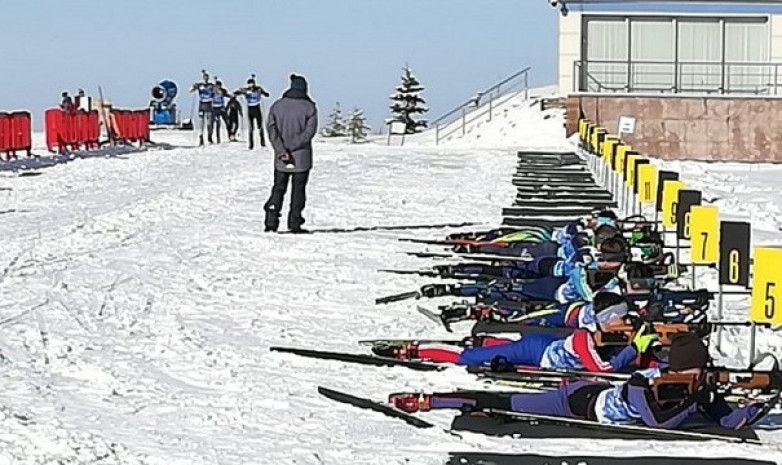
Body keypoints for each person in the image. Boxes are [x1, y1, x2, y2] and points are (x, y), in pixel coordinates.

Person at [388, 333, 766, 431]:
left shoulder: (693, 387)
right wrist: (692, 399)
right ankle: (428, 400)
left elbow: (726, 420)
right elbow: (658, 421)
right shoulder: (642, 380)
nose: (701, 377)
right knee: (502, 403)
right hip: (577, 400)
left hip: (584, 385)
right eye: (698, 371)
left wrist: (756, 405)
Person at [374, 292, 658, 374]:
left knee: (497, 348)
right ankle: (416, 349)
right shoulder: (586, 337)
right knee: (468, 358)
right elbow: (601, 369)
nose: (627, 325)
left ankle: (488, 341)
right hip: (536, 352)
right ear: (608, 321)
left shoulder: (609, 334)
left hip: (547, 346)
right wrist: (636, 347)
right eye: (622, 320)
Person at [264, 74, 318, 233]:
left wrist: (282, 150)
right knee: (298, 190)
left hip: (281, 158)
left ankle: (271, 221)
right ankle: (295, 223)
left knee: (278, 188)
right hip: (301, 158)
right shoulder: (310, 107)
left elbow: (271, 129)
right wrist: (293, 148)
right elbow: (309, 133)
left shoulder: (277, 106)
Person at [241, 74, 271, 149]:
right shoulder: (246, 90)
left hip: (257, 108)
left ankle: (262, 143)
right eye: (249, 84)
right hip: (250, 109)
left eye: (252, 84)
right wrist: (243, 92)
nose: (251, 86)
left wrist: (262, 93)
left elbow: (267, 94)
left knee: (260, 126)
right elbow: (237, 92)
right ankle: (251, 145)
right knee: (251, 128)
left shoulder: (258, 89)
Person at [189, 70, 214, 146]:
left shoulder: (211, 85)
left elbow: (217, 92)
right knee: (201, 122)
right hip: (202, 105)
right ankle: (201, 137)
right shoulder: (200, 85)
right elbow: (190, 90)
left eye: (207, 78)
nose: (206, 79)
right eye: (204, 78)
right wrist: (194, 87)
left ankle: (209, 135)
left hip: (209, 104)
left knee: (209, 123)